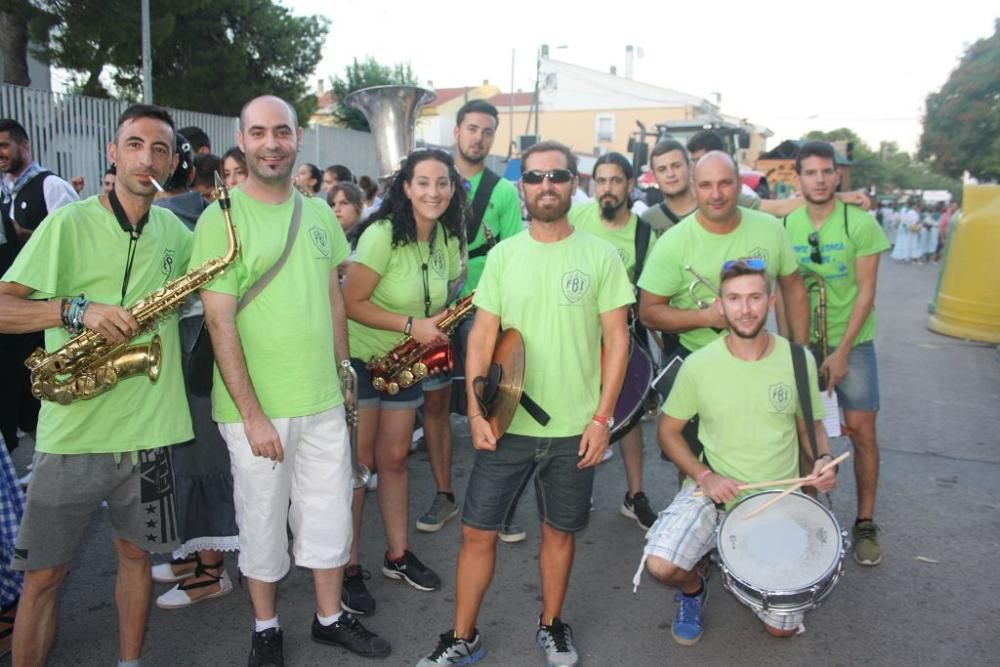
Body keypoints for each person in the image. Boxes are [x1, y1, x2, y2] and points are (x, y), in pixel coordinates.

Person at [417, 141, 633, 666]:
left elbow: (618, 341)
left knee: (559, 533)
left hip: (574, 427)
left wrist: (602, 419)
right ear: (523, 188)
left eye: (557, 175)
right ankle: (462, 637)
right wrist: (474, 411)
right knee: (475, 532)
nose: (546, 185)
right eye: (535, 178)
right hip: (504, 421)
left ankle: (552, 625)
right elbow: (482, 337)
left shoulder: (601, 255)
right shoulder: (505, 256)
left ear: (573, 183)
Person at [193, 95, 388, 665]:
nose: (271, 143)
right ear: (243, 139)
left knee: (328, 515)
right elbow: (219, 319)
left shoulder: (321, 212)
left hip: (324, 400)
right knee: (261, 520)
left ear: (298, 138)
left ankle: (329, 619)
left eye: (281, 132)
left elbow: (332, 297)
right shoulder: (219, 219)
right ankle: (266, 627)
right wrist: (251, 414)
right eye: (259, 133)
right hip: (258, 412)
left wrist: (344, 378)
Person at [0, 104, 193, 667]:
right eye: (134, 144)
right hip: (72, 434)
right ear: (113, 154)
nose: (147, 158)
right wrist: (73, 310)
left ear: (174, 162)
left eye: (160, 149)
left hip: (152, 433)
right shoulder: (67, 223)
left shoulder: (178, 235)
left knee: (137, 558)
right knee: (44, 576)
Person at [635, 259, 837, 645]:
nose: (745, 309)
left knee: (781, 629)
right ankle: (695, 589)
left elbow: (811, 424)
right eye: (734, 299)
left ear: (771, 301)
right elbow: (668, 432)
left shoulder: (798, 359)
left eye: (755, 298)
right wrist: (706, 476)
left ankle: (738, 563)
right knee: (661, 564)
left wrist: (824, 460)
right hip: (716, 492)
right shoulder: (699, 366)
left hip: (779, 498)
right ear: (721, 305)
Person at [341, 148, 464, 615]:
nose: (434, 192)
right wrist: (414, 327)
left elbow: (442, 297)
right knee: (359, 467)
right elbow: (351, 302)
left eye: (443, 183)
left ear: (453, 189)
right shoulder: (381, 235)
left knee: (393, 460)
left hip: (403, 361)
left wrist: (438, 325)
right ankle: (348, 566)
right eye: (424, 182)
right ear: (406, 188)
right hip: (365, 359)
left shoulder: (448, 239)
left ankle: (397, 555)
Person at [417, 99, 525, 542]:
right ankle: (445, 493)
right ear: (457, 131)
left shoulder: (502, 192)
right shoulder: (433, 183)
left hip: (484, 308)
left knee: (496, 403)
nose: (478, 137)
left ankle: (498, 503)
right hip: (435, 309)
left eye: (487, 131)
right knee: (436, 404)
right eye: (472, 128)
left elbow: (518, 256)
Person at [784, 141, 890, 565]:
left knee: (862, 433)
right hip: (804, 345)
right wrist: (792, 348)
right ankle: (810, 519)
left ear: (837, 175)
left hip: (853, 343)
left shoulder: (860, 223)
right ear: (799, 179)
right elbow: (781, 290)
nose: (821, 179)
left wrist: (842, 351)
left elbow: (867, 292)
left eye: (827, 172)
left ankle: (865, 522)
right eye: (811, 172)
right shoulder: (786, 224)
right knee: (807, 435)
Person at [150, 133, 238, 611]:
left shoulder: (191, 215)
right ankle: (191, 554)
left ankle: (210, 570)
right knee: (186, 458)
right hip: (185, 348)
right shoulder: (184, 213)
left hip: (201, 349)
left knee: (202, 459)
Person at [567, 151, 657, 530]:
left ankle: (634, 495)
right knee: (577, 414)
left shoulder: (642, 233)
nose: (606, 188)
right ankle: (576, 490)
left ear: (630, 185)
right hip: (577, 336)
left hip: (622, 337)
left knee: (629, 418)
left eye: (615, 181)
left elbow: (651, 291)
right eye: (600, 181)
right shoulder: (577, 219)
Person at [0, 119, 79, 455]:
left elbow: (74, 242)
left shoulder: (52, 186)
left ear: (24, 145)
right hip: (12, 313)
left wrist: (23, 235)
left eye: (4, 145)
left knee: (47, 393)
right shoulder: (4, 190)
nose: (0, 153)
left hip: (45, 314)